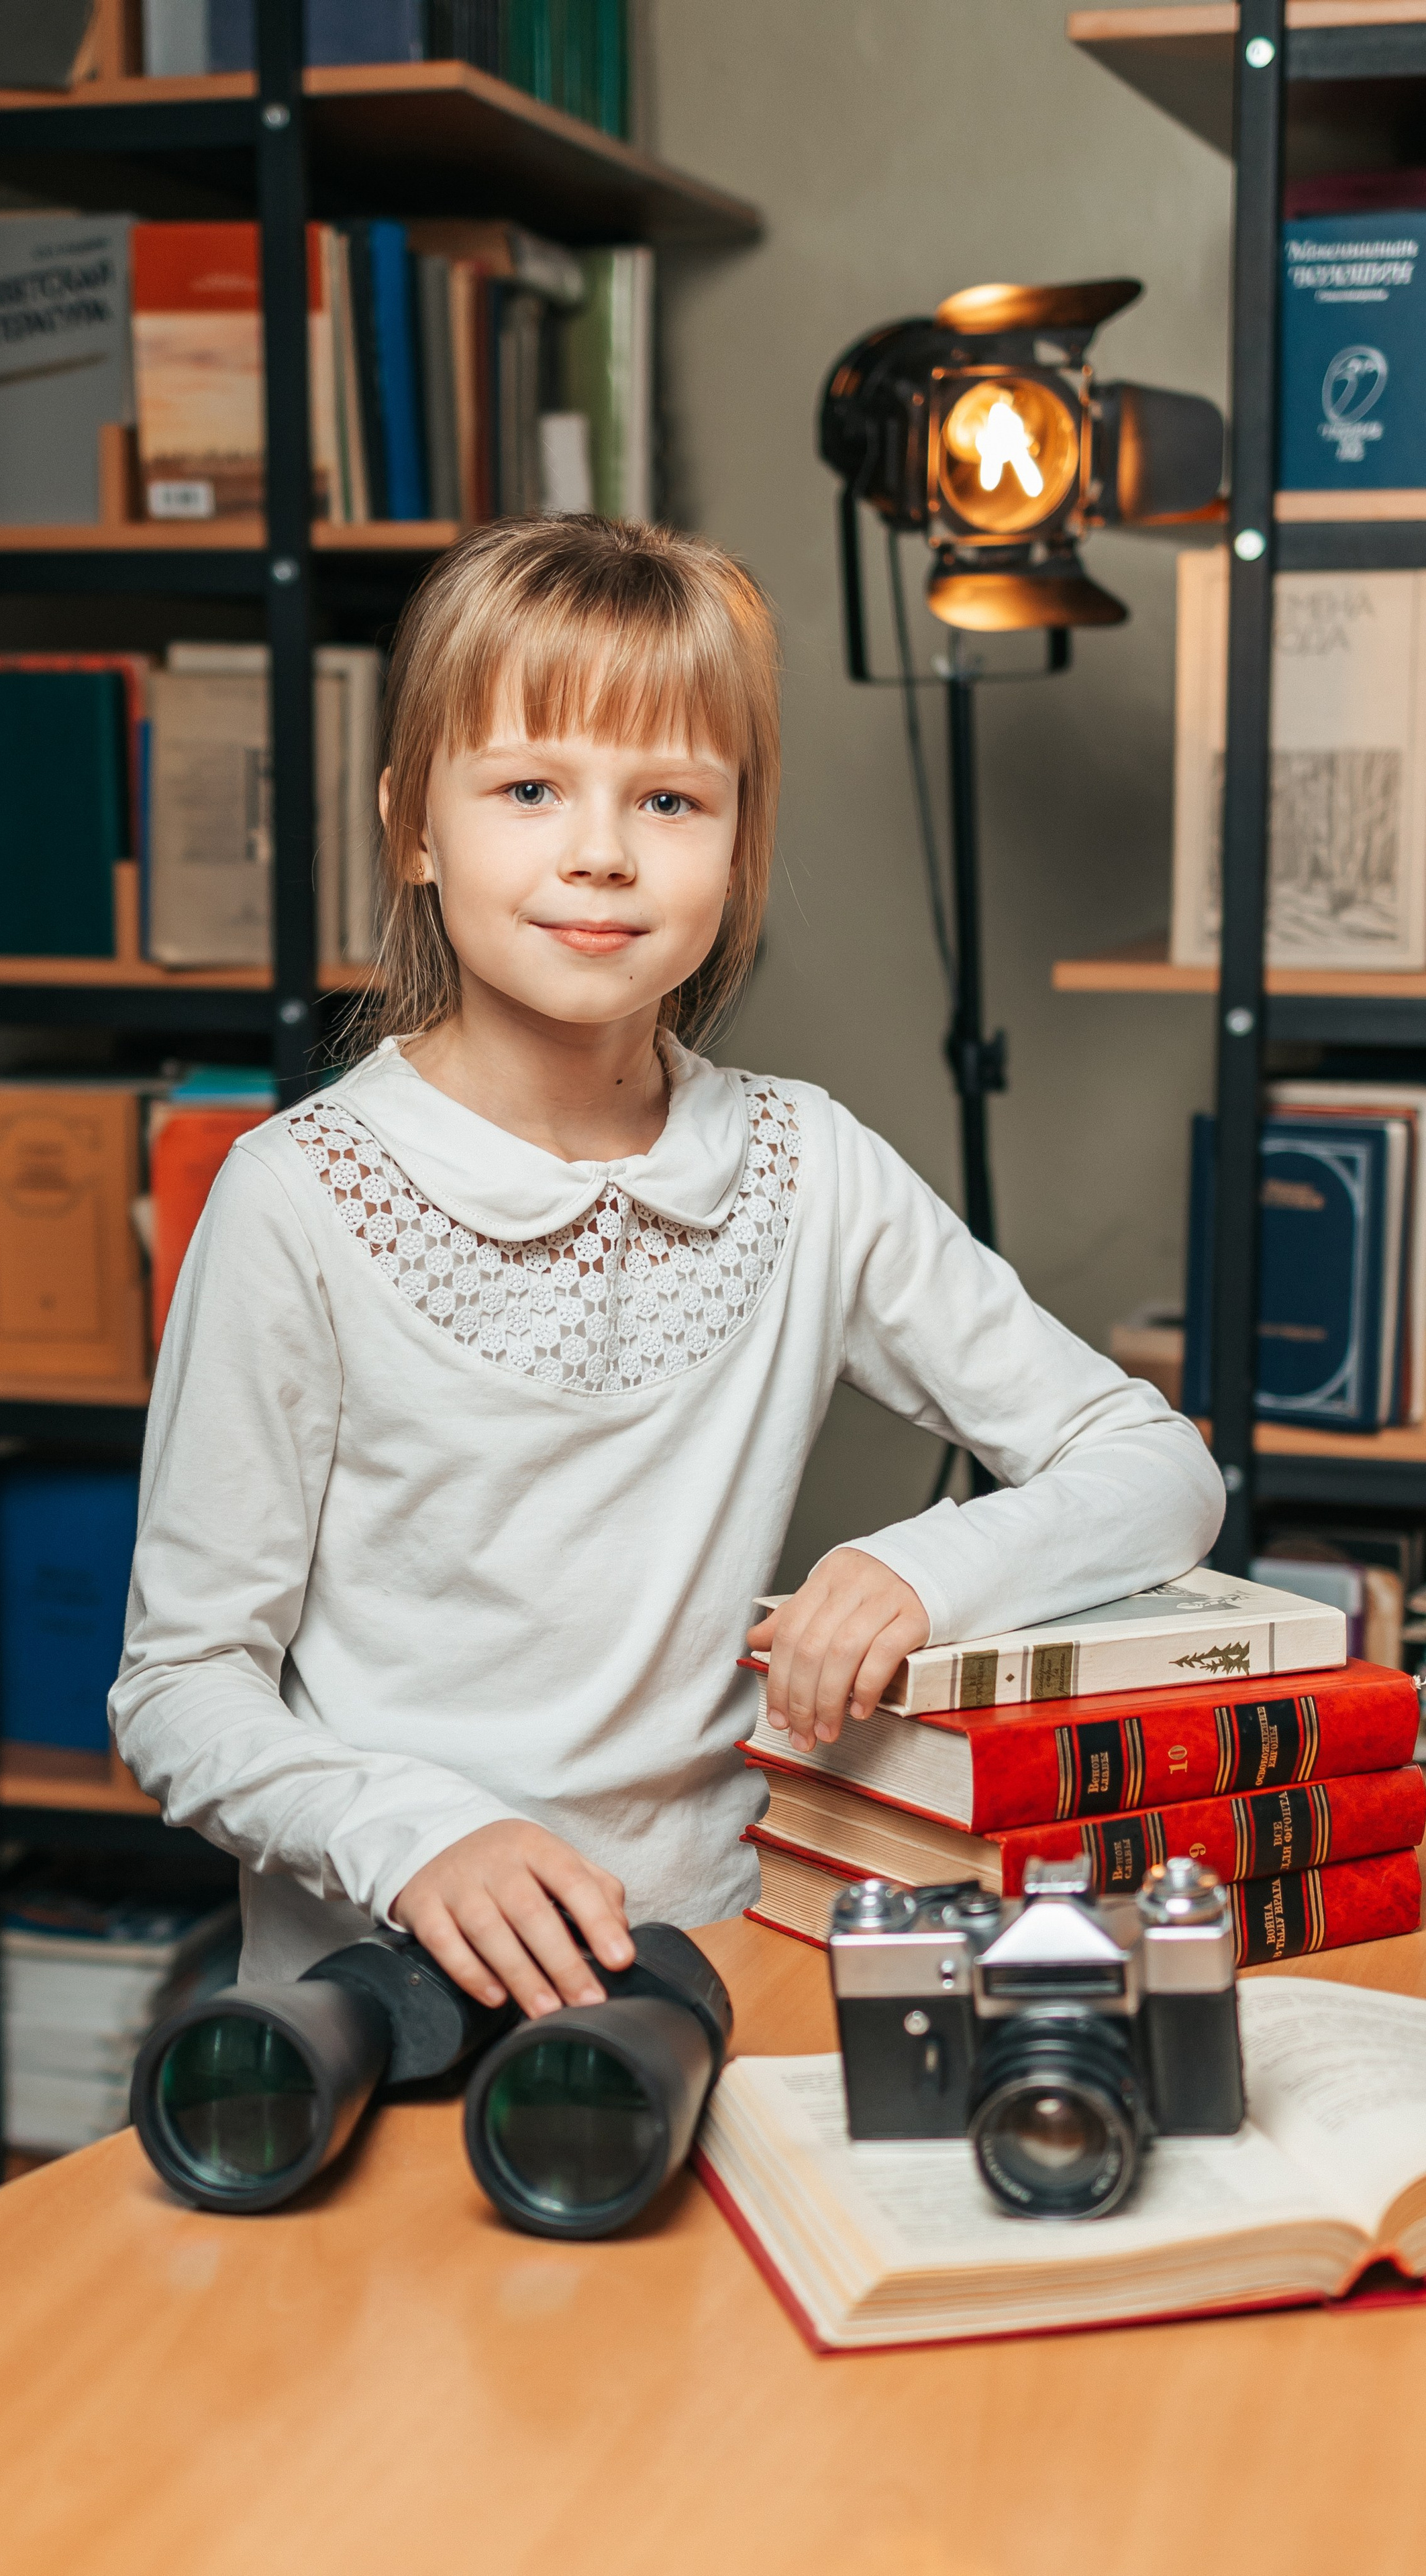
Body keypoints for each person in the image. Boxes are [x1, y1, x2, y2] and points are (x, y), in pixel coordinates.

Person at [111, 515, 1223, 2019]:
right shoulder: (300, 1197)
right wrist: (415, 1836)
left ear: (737, 842)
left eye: (669, 799)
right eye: (525, 788)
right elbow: (179, 1691)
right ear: (412, 828)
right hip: (378, 1986)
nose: (600, 853)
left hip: (715, 1962)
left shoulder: (804, 1167)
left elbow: (1153, 1465)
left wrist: (921, 1566)